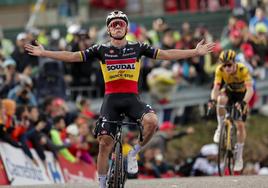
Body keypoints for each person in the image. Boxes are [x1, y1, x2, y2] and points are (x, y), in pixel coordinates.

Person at [25, 10, 215, 188]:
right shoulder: (101, 49)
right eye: (114, 25)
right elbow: (73, 56)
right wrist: (45, 53)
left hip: (132, 99)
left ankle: (133, 153)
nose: (117, 27)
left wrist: (194, 52)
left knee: (152, 122)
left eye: (121, 24)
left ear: (126, 28)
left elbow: (165, 54)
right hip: (111, 101)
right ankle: (101, 184)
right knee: (104, 143)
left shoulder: (137, 47)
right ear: (108, 29)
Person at [208, 49, 254, 172]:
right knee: (220, 100)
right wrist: (212, 100)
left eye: (229, 65)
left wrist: (244, 102)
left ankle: (239, 156)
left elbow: (250, 90)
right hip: (229, 92)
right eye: (224, 65)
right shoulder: (220, 70)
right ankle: (219, 127)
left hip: (242, 95)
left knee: (240, 125)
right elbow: (216, 88)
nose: (226, 68)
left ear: (234, 63)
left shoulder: (243, 69)